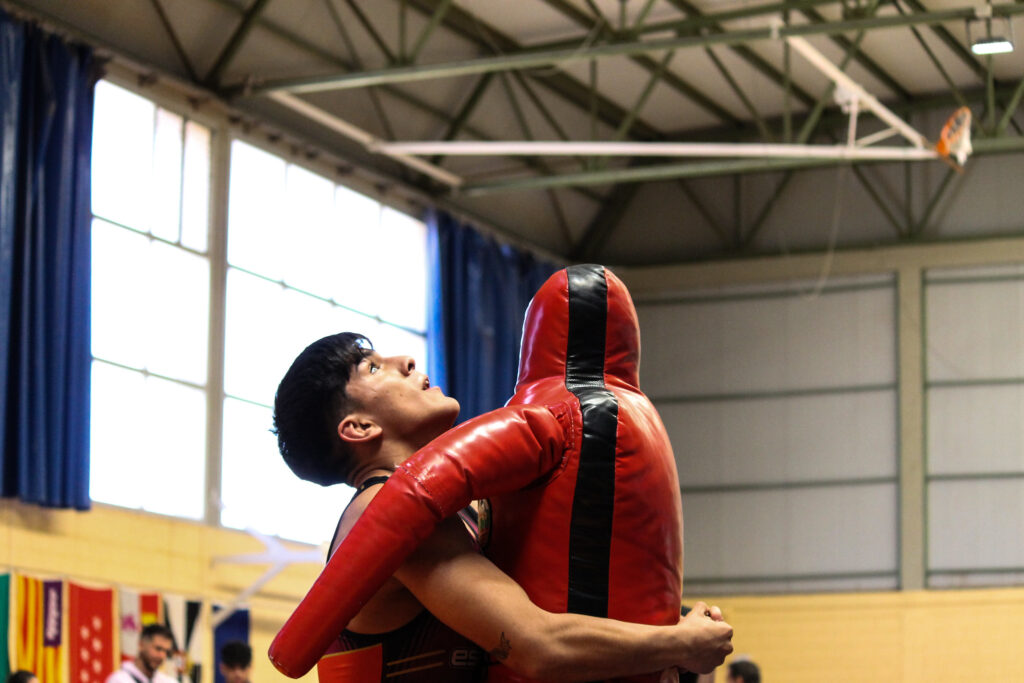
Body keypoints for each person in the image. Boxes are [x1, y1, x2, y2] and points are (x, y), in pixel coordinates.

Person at [270, 265, 726, 683]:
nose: (406, 361)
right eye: (373, 367)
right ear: (359, 428)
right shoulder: (387, 512)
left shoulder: (456, 504)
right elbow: (536, 645)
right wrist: (682, 644)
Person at [105, 624, 177, 683]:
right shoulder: (119, 680)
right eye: (158, 649)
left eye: (166, 652)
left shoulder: (168, 681)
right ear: (141, 645)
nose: (162, 656)